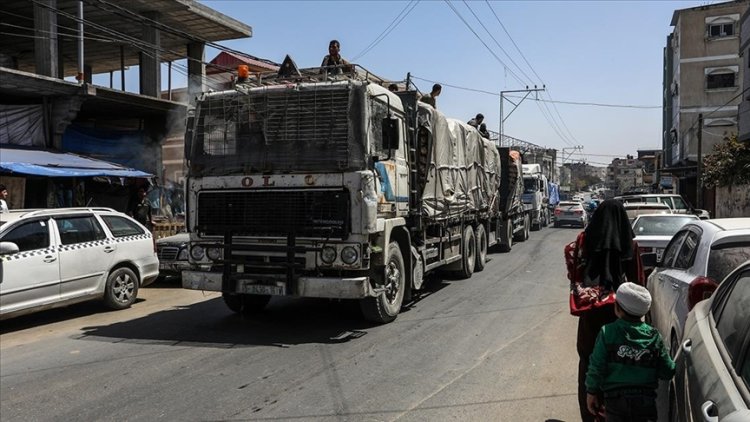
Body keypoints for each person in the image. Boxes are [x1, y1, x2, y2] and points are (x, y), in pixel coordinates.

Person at [575, 199, 644, 422]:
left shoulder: (584, 240)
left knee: (588, 365)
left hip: (591, 318)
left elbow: (574, 277)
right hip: (623, 318)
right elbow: (638, 284)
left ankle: (590, 414)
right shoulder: (629, 245)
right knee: (621, 367)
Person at [585, 282, 675, 421]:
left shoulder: (607, 332)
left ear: (618, 308)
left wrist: (591, 392)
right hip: (645, 403)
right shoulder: (654, 336)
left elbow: (596, 367)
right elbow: (667, 371)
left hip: (615, 402)